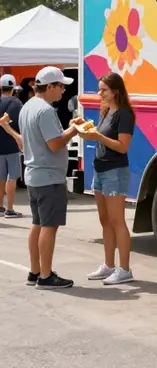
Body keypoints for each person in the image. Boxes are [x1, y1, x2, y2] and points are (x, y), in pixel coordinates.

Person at [18, 67, 77, 289]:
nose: (63, 90)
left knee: (38, 224)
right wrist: (73, 130)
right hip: (49, 175)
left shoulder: (28, 106)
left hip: (34, 173)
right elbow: (54, 144)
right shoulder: (45, 110)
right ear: (50, 87)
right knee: (49, 227)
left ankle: (35, 271)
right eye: (61, 86)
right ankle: (45, 275)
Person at [79, 72, 135, 285]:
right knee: (105, 220)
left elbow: (123, 147)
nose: (99, 93)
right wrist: (86, 132)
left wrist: (97, 136)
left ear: (116, 92)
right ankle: (109, 265)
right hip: (100, 170)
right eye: (99, 88)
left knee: (117, 220)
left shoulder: (125, 114)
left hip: (115, 171)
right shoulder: (106, 111)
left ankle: (125, 269)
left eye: (104, 90)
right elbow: (102, 139)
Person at [0, 73, 24, 218]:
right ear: (13, 88)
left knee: (1, 177)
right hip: (11, 146)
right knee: (12, 177)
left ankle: (0, 207)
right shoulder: (16, 103)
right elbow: (5, 120)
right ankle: (10, 209)